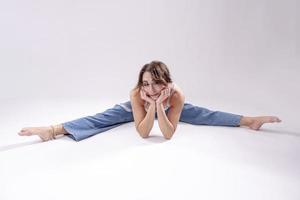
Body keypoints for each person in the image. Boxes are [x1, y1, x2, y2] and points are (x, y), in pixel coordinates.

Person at [18, 61, 281, 141]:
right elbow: (143, 133)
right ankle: (52, 130)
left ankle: (249, 121)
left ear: (165, 82)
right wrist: (150, 106)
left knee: (202, 114)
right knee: (105, 117)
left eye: (156, 83)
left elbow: (167, 135)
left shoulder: (176, 94)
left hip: (166, 109)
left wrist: (159, 107)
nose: (151, 88)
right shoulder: (136, 94)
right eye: (146, 83)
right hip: (140, 109)